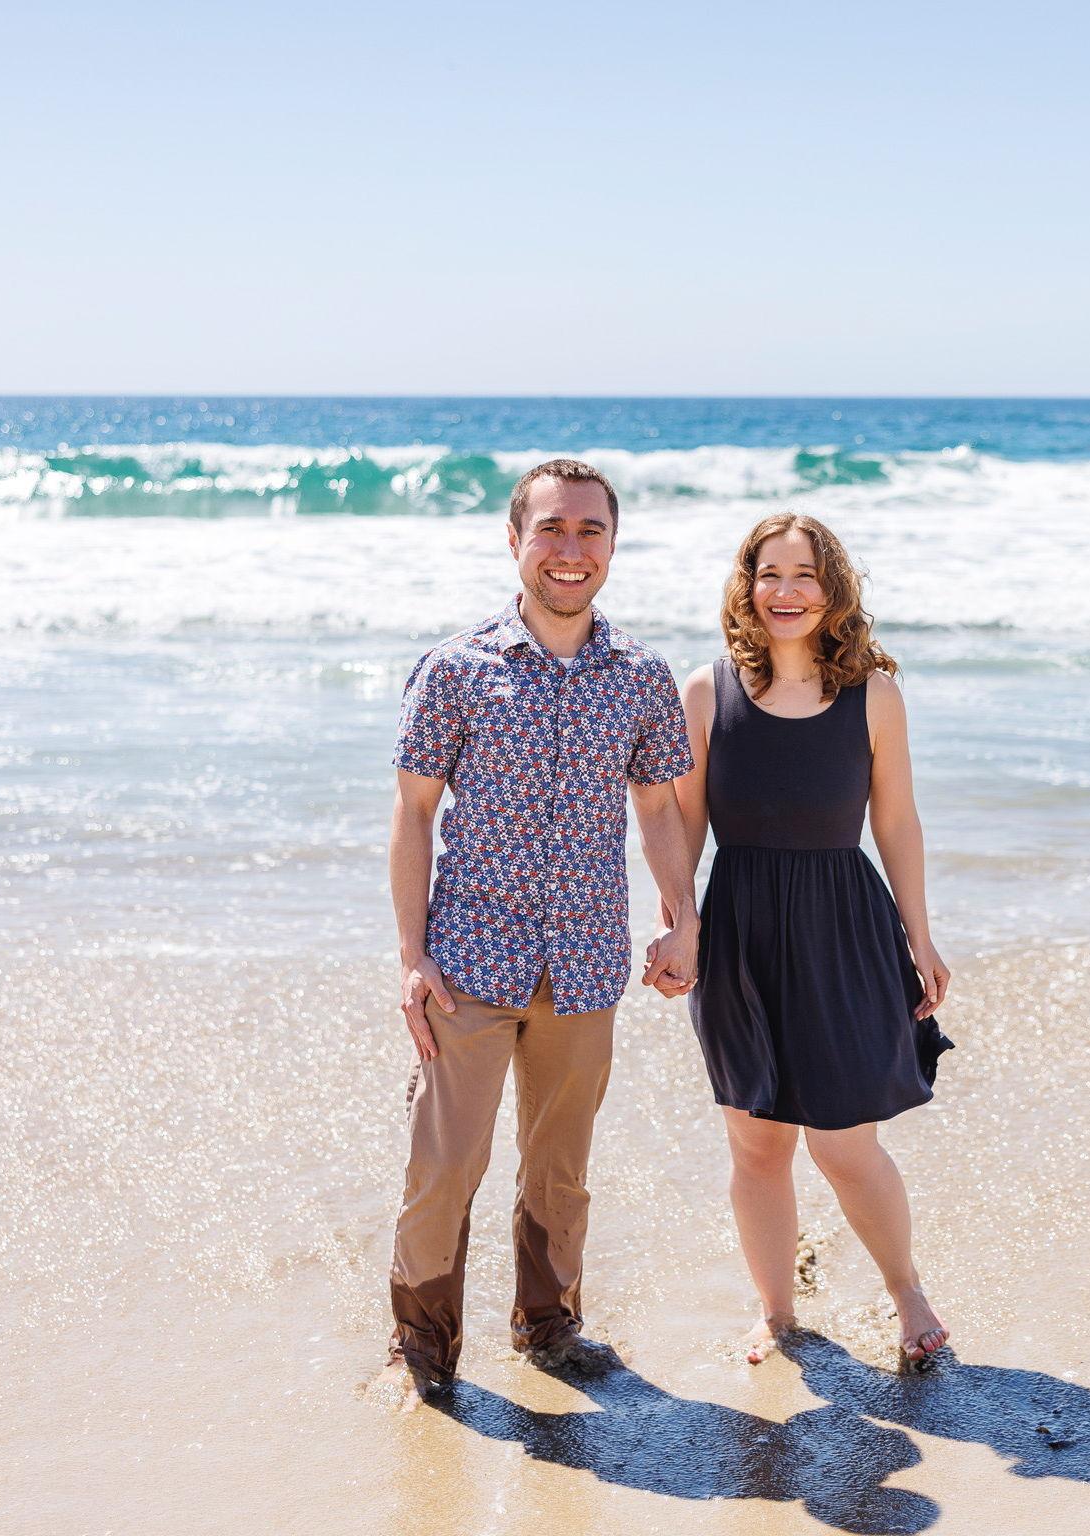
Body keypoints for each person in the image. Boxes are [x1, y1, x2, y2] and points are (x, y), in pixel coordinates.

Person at [378, 458, 699, 1407]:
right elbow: (411, 815)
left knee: (561, 1170)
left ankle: (549, 1326)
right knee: (444, 1167)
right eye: (551, 530)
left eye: (589, 531)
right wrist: (411, 956)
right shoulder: (455, 669)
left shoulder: (641, 676)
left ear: (612, 544)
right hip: (469, 964)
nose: (570, 550)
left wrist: (682, 922)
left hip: (587, 965)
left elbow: (658, 810)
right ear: (514, 541)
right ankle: (422, 1349)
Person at [660, 511, 954, 1367]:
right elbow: (679, 825)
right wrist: (679, 923)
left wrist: (921, 938)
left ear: (832, 592)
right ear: (745, 587)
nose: (784, 592)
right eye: (769, 574)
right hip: (740, 932)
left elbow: (896, 821)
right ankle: (778, 1314)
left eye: (804, 576)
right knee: (755, 1141)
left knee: (844, 1140)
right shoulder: (705, 692)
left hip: (843, 930)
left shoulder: (874, 696)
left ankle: (908, 1296)